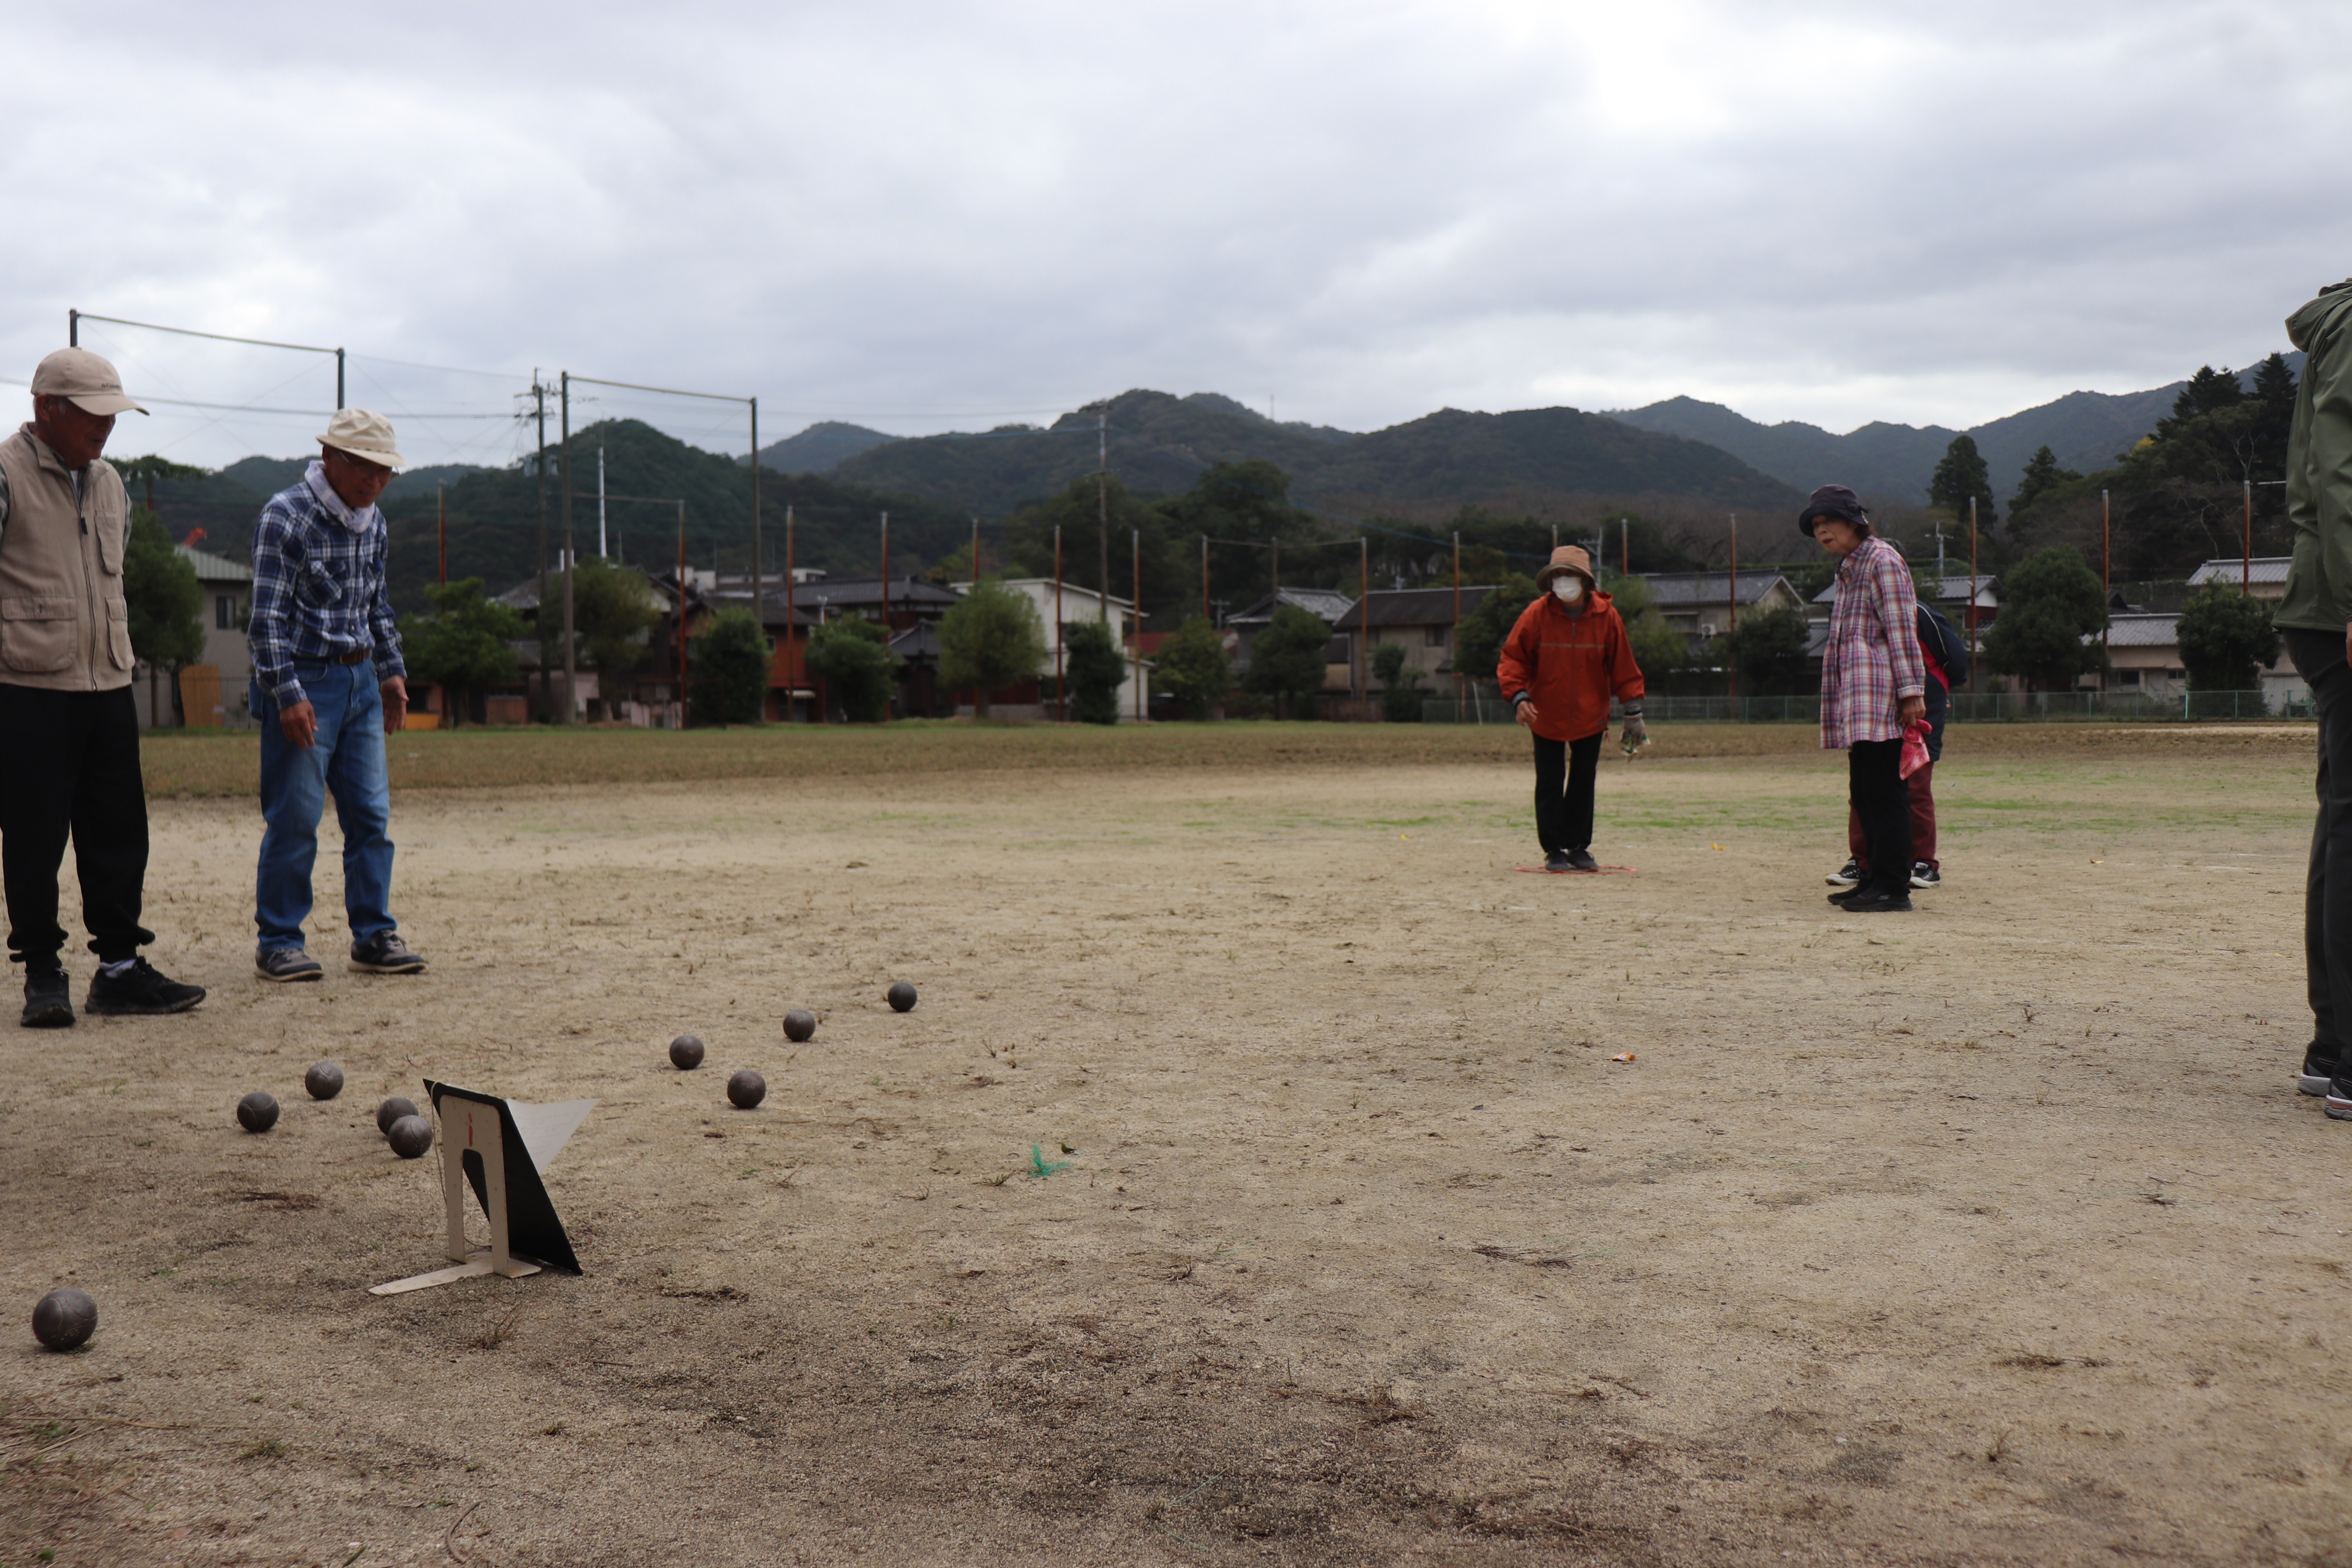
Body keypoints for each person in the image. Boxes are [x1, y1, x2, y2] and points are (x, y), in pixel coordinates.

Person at [0, 349, 207, 1026]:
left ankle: (119, 969)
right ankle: (42, 972)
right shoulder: (5, 474)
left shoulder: (112, 482)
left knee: (119, 831)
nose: (106, 427)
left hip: (110, 679)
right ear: (46, 409)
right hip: (28, 683)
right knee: (34, 837)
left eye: (113, 415)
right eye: (93, 414)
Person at [247, 409, 426, 982]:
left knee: (371, 816)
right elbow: (266, 620)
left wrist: (391, 672)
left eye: (385, 470)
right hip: (304, 682)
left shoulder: (373, 522)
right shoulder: (287, 515)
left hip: (361, 682)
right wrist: (287, 693)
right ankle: (279, 941)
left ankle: (374, 935)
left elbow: (377, 604)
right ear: (330, 457)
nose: (375, 480)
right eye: (364, 466)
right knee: (296, 818)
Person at [2274, 276, 2352, 1117]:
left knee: (2345, 821)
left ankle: (2335, 1044)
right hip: (2339, 601)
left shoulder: (2338, 325)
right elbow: (2341, 470)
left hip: (2323, 600)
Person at [1806, 485, 1926, 914]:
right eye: (1816, 526)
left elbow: (1901, 628)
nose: (1822, 531)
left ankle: (1894, 886)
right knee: (1865, 790)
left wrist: (1911, 691)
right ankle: (1874, 878)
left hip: (1883, 695)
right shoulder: (1848, 568)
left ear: (1853, 521)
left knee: (1885, 791)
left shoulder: (1882, 560)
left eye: (1828, 522)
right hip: (1859, 698)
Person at [1497, 545, 1647, 871]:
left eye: (1570, 574)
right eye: (1558, 575)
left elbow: (1623, 666)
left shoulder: (1608, 617)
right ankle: (1553, 849)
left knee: (1583, 780)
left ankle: (1579, 847)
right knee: (1550, 781)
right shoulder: (1536, 614)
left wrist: (1633, 710)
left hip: (1591, 715)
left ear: (1585, 580)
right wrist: (1519, 697)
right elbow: (1513, 659)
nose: (1563, 581)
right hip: (1545, 714)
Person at [1827, 600, 1968, 891]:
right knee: (1866, 785)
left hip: (1920, 705)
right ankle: (1863, 860)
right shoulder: (1855, 612)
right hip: (1873, 701)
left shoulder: (1918, 613)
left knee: (1916, 784)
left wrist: (1937, 692)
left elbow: (1955, 661)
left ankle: (1924, 862)